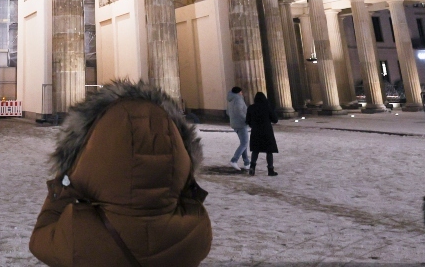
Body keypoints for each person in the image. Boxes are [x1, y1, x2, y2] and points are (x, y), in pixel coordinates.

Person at [29, 80, 212, 266]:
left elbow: (39, 240)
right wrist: (185, 183)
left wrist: (64, 186)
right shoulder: (196, 228)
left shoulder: (78, 231)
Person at [245, 91, 278, 176]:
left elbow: (247, 120)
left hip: (256, 131)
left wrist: (252, 125)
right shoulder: (267, 107)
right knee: (269, 151)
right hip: (267, 131)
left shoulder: (251, 108)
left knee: (255, 150)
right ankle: (270, 169)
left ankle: (252, 167)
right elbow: (275, 119)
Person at [226, 86, 250, 171]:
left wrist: (233, 119)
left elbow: (228, 112)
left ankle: (247, 162)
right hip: (241, 124)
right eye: (241, 92)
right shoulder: (238, 99)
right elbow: (239, 111)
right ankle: (234, 160)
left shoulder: (231, 99)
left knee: (243, 143)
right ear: (239, 92)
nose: (242, 93)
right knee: (244, 143)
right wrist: (246, 120)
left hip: (234, 123)